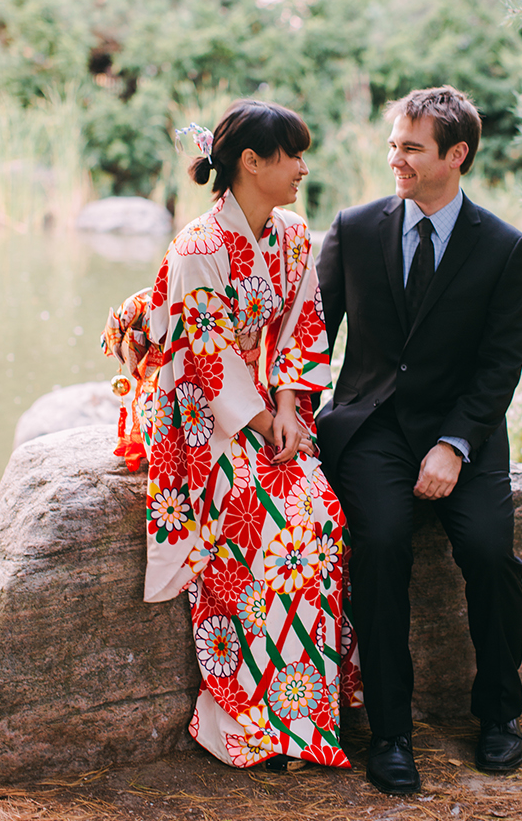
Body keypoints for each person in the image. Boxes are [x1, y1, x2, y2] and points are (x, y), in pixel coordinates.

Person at [103, 99, 359, 771]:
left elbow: (304, 327)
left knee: (323, 518)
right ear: (252, 162)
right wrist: (260, 420)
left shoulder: (293, 234)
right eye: (293, 154)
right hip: (194, 405)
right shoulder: (198, 246)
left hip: (262, 399)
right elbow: (209, 353)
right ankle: (242, 715)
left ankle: (308, 710)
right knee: (261, 521)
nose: (304, 168)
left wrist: (287, 406)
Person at [316, 85, 522, 795]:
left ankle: (499, 714)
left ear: (456, 155)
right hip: (373, 426)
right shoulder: (353, 227)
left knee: (489, 552)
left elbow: (502, 363)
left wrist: (455, 444)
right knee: (378, 544)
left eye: (411, 148)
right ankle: (391, 732)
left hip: (461, 437)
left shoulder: (504, 248)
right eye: (393, 144)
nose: (396, 159)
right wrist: (285, 404)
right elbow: (311, 337)